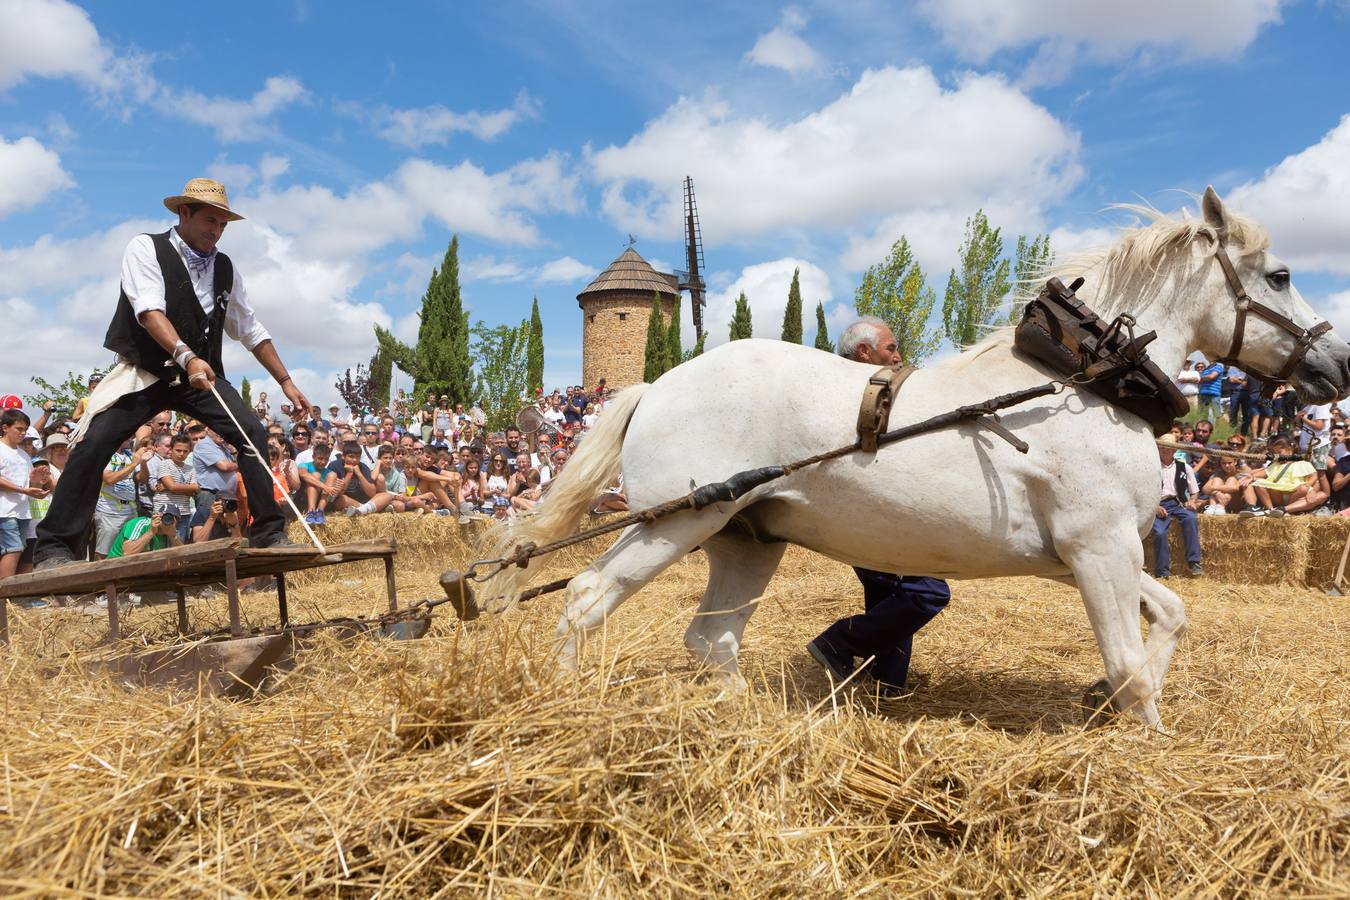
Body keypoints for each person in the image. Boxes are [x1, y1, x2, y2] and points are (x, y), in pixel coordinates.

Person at [33, 179, 311, 569]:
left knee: (252, 431)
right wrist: (186, 355)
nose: (216, 232)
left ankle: (268, 532)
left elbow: (249, 329)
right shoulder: (145, 247)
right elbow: (148, 312)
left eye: (222, 226)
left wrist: (285, 381)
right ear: (184, 212)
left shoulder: (225, 267)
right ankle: (54, 549)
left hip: (198, 380)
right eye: (209, 221)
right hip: (146, 373)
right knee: (93, 444)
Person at [806, 318, 951, 697]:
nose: (898, 355)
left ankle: (887, 686)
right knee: (927, 591)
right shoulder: (849, 397)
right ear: (864, 352)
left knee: (886, 598)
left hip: (875, 514)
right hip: (865, 515)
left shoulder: (883, 395)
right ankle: (838, 642)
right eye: (890, 347)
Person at [0, 409, 46, 580]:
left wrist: (37, 483)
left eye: (25, 429)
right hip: (4, 511)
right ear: (5, 427)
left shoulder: (24, 455)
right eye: (18, 429)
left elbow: (29, 485)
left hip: (22, 511)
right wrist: (24, 490)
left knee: (15, 550)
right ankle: (5, 598)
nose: (22, 433)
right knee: (13, 549)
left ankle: (8, 597)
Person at [1152, 442, 1203, 578]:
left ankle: (1194, 563)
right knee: (1160, 532)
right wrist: (1154, 506)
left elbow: (1194, 491)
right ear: (1157, 448)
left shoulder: (1184, 467)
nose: (1165, 450)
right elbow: (1142, 492)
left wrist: (1192, 501)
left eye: (1168, 447)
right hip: (1158, 504)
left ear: (1174, 449)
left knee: (1191, 518)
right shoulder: (1151, 467)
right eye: (1162, 447)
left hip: (1177, 502)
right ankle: (1163, 572)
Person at [1241, 436, 1327, 517]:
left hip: (1295, 493)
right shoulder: (1276, 464)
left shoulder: (1302, 462)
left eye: (1279, 453)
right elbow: (1265, 472)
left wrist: (1308, 485)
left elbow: (1314, 475)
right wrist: (1252, 477)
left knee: (1307, 490)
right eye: (1275, 453)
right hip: (1277, 493)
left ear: (1289, 451)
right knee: (1258, 483)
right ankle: (1271, 510)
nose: (1276, 455)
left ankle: (1286, 510)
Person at [149, 433, 198, 541]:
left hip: (183, 512)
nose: (182, 454)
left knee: (178, 545)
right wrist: (186, 488)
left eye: (185, 451)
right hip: (164, 511)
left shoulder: (191, 469)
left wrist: (169, 487)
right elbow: (172, 487)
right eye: (178, 450)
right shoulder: (164, 464)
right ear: (171, 449)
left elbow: (195, 490)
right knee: (161, 545)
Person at [107, 507, 182, 558]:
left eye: (173, 519)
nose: (168, 521)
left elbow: (183, 558)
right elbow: (127, 553)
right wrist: (151, 532)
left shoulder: (173, 534)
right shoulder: (140, 523)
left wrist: (173, 537)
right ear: (158, 516)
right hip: (118, 565)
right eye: (166, 517)